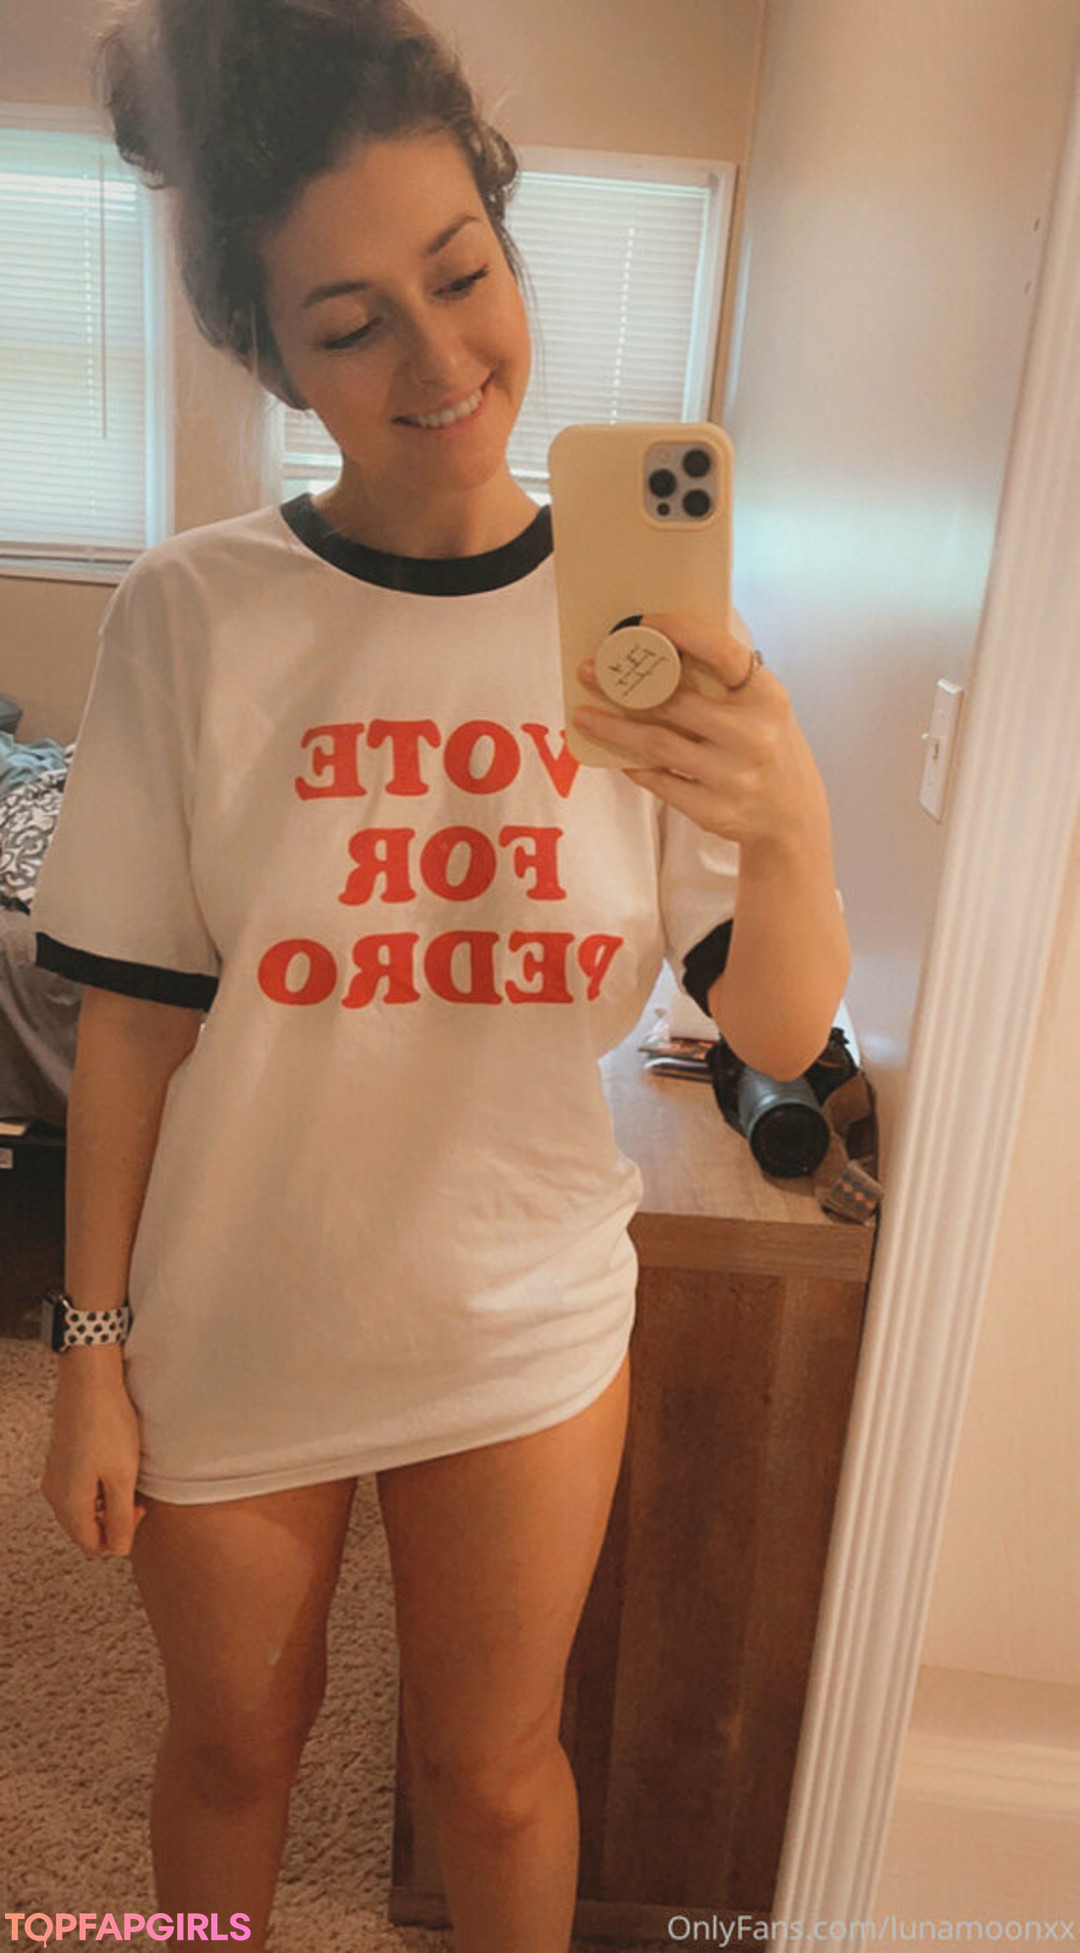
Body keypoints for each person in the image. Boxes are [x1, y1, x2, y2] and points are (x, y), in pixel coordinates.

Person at [32, 2, 851, 1948]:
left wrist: (791, 819)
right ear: (269, 352)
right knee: (232, 1750)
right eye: (350, 324)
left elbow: (773, 1028)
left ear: (505, 237)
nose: (439, 360)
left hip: (520, 1309)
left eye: (462, 274)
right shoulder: (191, 614)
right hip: (239, 1307)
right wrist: (90, 1354)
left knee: (496, 1771)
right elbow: (133, 1027)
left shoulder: (643, 631)